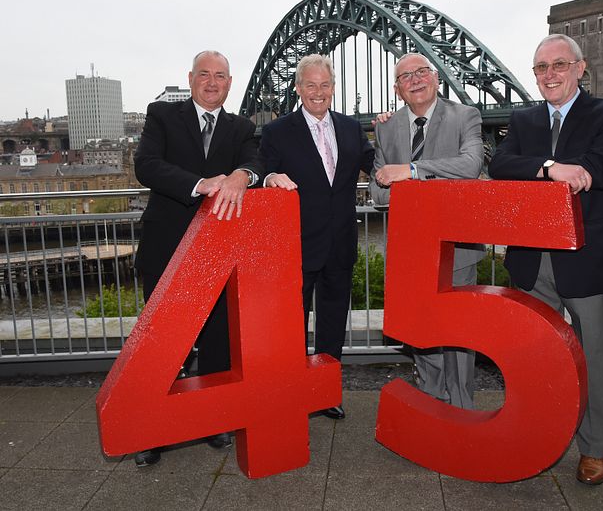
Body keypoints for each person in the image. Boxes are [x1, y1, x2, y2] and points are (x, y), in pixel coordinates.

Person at [488, 34, 603, 485]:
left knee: (593, 357)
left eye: (558, 65)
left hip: (584, 259)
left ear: (579, 68)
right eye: (540, 68)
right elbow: (500, 165)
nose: (548, 75)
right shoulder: (524, 116)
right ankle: (538, 436)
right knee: (536, 357)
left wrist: (547, 167)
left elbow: (598, 166)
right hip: (532, 260)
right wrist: (551, 168)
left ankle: (594, 448)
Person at [133, 50, 264, 466]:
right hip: (166, 246)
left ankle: (212, 420)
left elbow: (255, 160)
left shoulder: (241, 126)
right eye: (204, 75)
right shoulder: (162, 115)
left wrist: (243, 176)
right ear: (190, 79)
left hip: (218, 252)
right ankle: (152, 431)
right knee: (160, 343)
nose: (212, 82)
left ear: (230, 83)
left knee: (216, 340)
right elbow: (146, 166)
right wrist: (198, 183)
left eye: (220, 76)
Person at [260, 54, 375, 420]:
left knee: (331, 321)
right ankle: (293, 393)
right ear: (298, 88)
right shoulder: (278, 130)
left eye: (324, 85)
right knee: (292, 324)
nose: (318, 92)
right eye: (310, 85)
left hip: (340, 243)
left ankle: (325, 393)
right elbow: (263, 171)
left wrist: (388, 128)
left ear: (333, 88)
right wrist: (269, 178)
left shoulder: (352, 128)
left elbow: (378, 164)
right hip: (295, 244)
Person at [371, 52, 485, 410]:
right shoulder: (385, 127)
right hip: (411, 249)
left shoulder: (464, 115)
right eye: (406, 76)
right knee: (422, 330)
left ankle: (462, 407)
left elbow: (470, 165)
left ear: (436, 77)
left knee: (460, 331)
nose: (415, 79)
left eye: (422, 71)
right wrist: (403, 179)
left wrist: (412, 171)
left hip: (457, 246)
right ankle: (433, 401)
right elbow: (377, 192)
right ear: (398, 89)